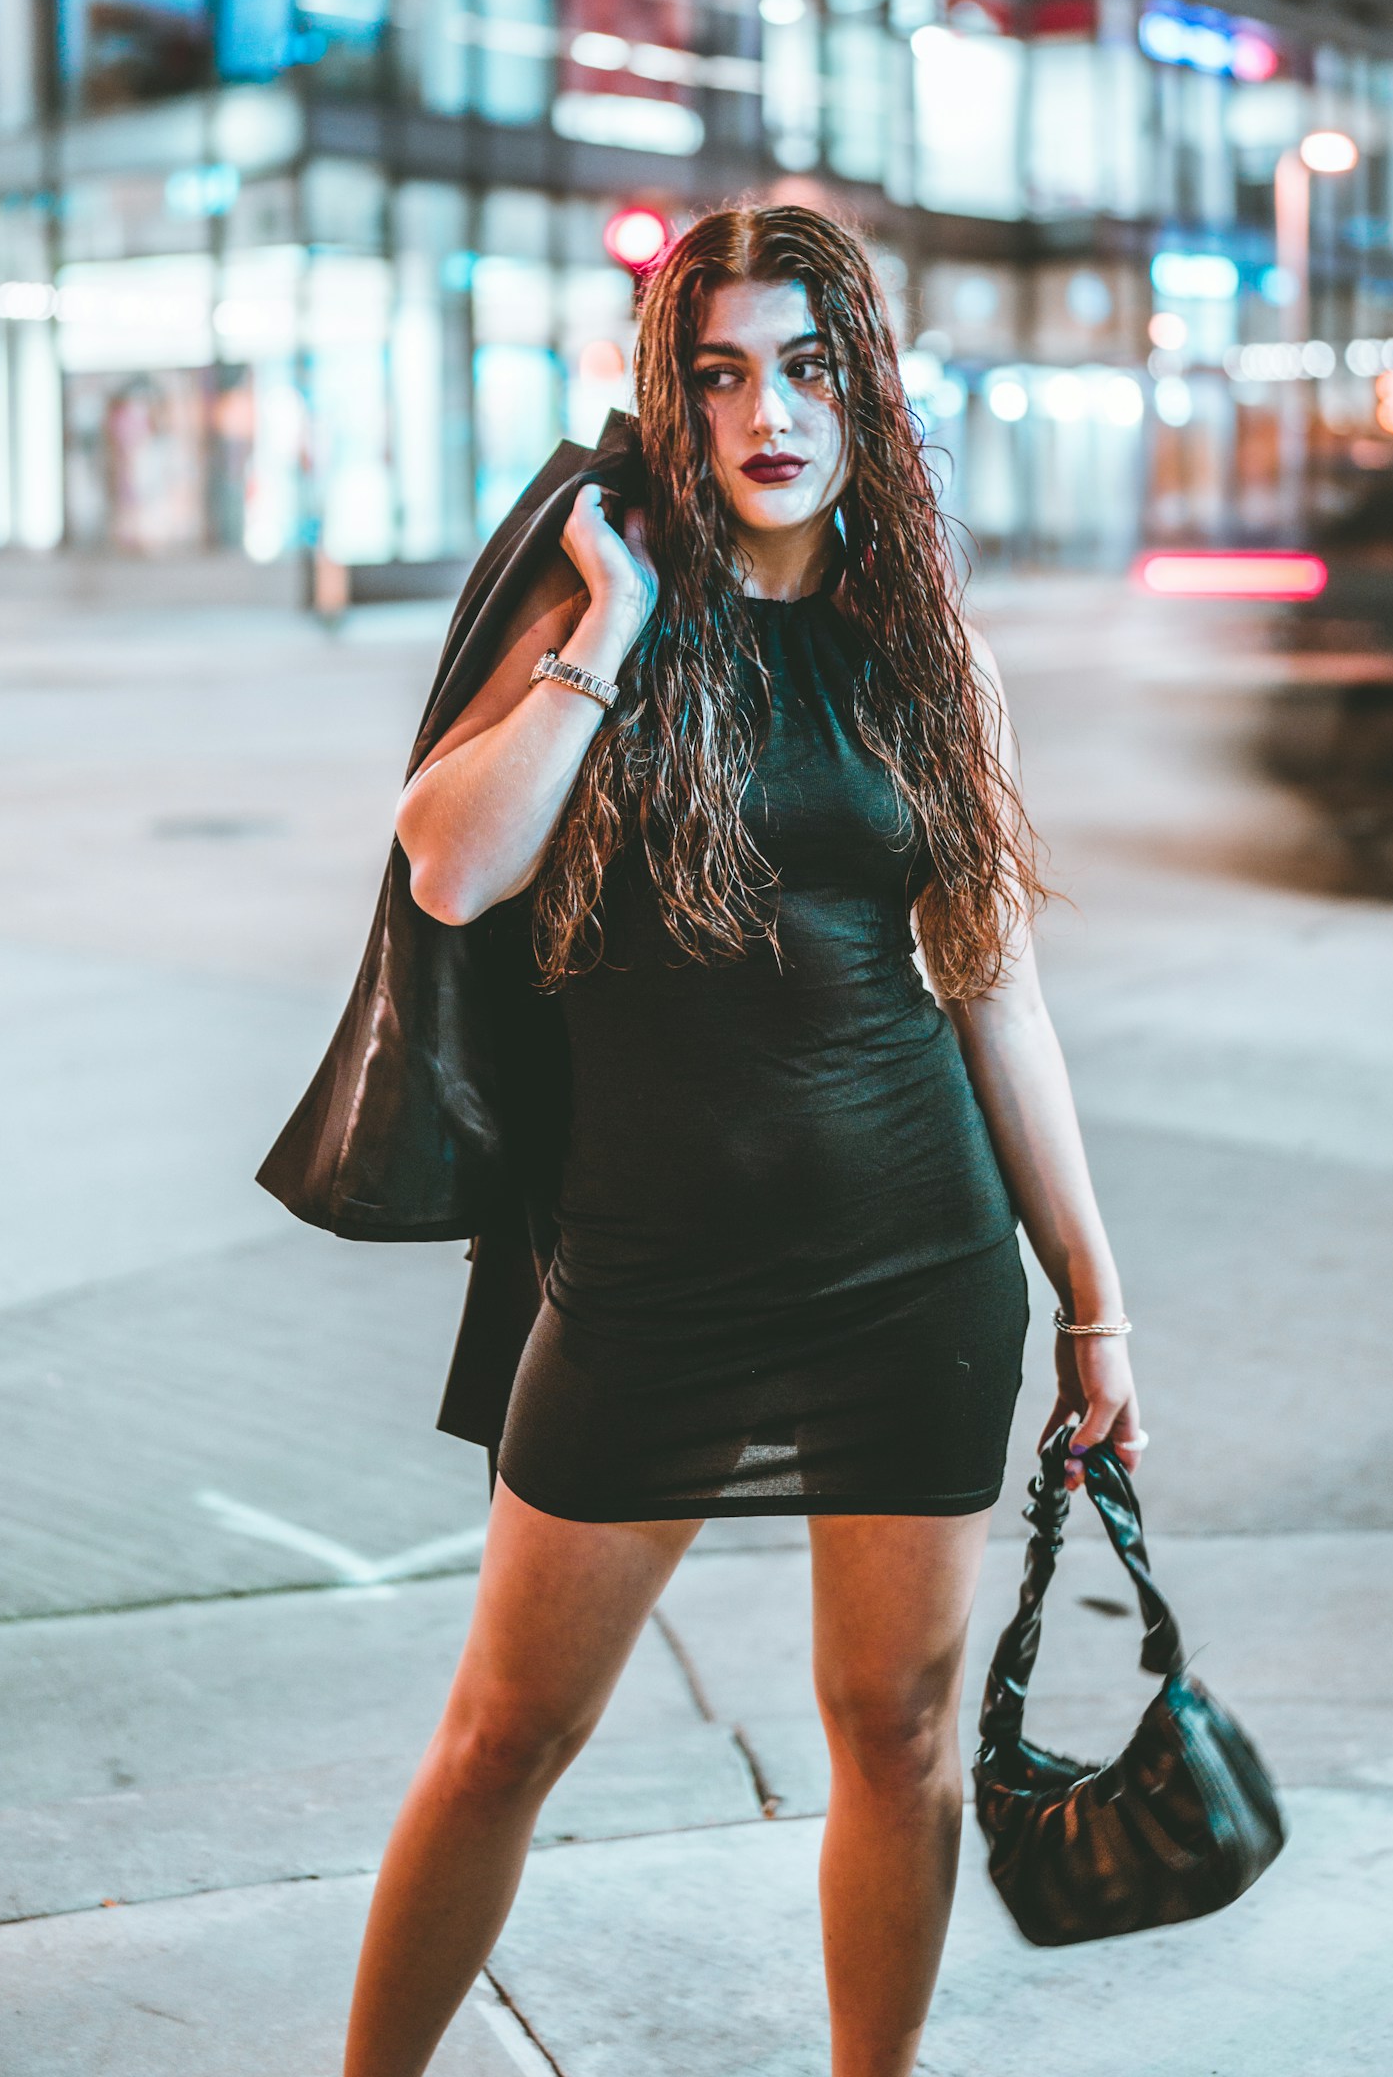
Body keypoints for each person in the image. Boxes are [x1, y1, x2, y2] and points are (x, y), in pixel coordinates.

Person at [343, 204, 1139, 2077]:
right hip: (645, 1286)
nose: (766, 411)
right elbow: (452, 864)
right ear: (671, 401)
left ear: (865, 384)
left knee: (896, 1733)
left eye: (806, 365)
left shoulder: (925, 648)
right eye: (719, 374)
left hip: (916, 1271)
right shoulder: (595, 604)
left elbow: (994, 989)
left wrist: (1094, 1296)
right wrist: (607, 631)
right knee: (505, 1736)